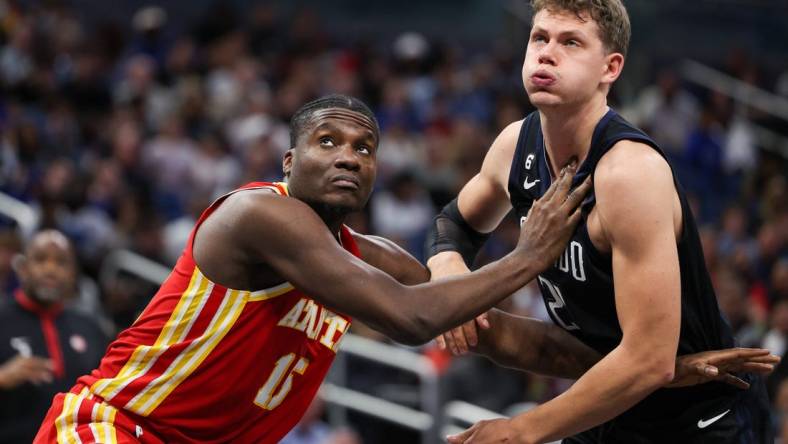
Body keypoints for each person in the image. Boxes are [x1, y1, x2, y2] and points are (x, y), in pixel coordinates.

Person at [34, 95, 771, 444]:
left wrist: (656, 367)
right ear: (290, 162)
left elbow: (508, 339)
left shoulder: (365, 260)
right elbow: (411, 318)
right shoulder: (257, 215)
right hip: (114, 428)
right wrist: (528, 254)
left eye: (364, 146)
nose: (350, 155)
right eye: (328, 142)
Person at [426, 1, 777, 443]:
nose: (547, 53)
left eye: (570, 42)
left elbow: (650, 359)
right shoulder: (515, 145)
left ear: (610, 69)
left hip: (698, 415)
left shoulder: (629, 173)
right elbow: (451, 226)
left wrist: (521, 430)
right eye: (540, 38)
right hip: (609, 398)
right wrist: (448, 271)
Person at [0, 230, 108, 443]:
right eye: (40, 259)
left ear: (73, 274)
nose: (51, 269)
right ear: (23, 268)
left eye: (61, 263)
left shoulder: (91, 328)